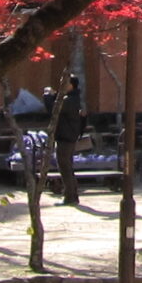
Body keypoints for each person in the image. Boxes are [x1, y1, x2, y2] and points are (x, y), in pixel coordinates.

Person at [52, 72, 87, 206]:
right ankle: (72, 195)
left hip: (66, 137)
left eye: (65, 83)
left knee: (65, 167)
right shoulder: (72, 99)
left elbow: (54, 108)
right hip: (68, 136)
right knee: (67, 167)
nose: (62, 85)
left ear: (71, 85)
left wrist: (48, 97)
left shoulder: (70, 100)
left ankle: (69, 196)